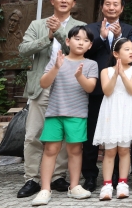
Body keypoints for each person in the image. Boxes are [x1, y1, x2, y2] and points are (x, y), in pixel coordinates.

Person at [18, 0, 84, 199]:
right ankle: (31, 178)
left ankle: (58, 177)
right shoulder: (37, 25)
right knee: (33, 134)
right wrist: (46, 36)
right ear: (52, 1)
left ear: (74, 3)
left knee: (65, 134)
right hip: (42, 85)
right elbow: (23, 50)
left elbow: (79, 49)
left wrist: (59, 32)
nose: (64, 0)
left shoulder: (80, 26)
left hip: (68, 87)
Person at [31, 26, 98, 206]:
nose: (81, 42)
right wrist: (56, 67)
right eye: (77, 38)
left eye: (85, 40)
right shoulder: (57, 59)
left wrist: (79, 76)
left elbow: (90, 87)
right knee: (50, 150)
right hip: (55, 113)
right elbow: (44, 83)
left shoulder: (91, 64)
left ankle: (74, 186)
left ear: (90, 45)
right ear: (68, 41)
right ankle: (45, 189)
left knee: (75, 151)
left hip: (77, 114)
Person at [83, 0, 132, 192]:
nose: (111, 7)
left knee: (119, 136)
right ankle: (89, 177)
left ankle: (117, 178)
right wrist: (101, 38)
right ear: (102, 6)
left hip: (122, 92)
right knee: (93, 134)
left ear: (122, 8)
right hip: (97, 89)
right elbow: (84, 51)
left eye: (116, 4)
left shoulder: (130, 29)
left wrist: (119, 36)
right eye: (108, 4)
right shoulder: (90, 29)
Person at [92, 38, 132, 201]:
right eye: (127, 49)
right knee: (110, 150)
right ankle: (107, 185)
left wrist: (122, 73)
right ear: (116, 53)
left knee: (124, 149)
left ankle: (122, 183)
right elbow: (107, 91)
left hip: (127, 110)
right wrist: (116, 74)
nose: (131, 52)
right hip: (112, 110)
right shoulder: (105, 71)